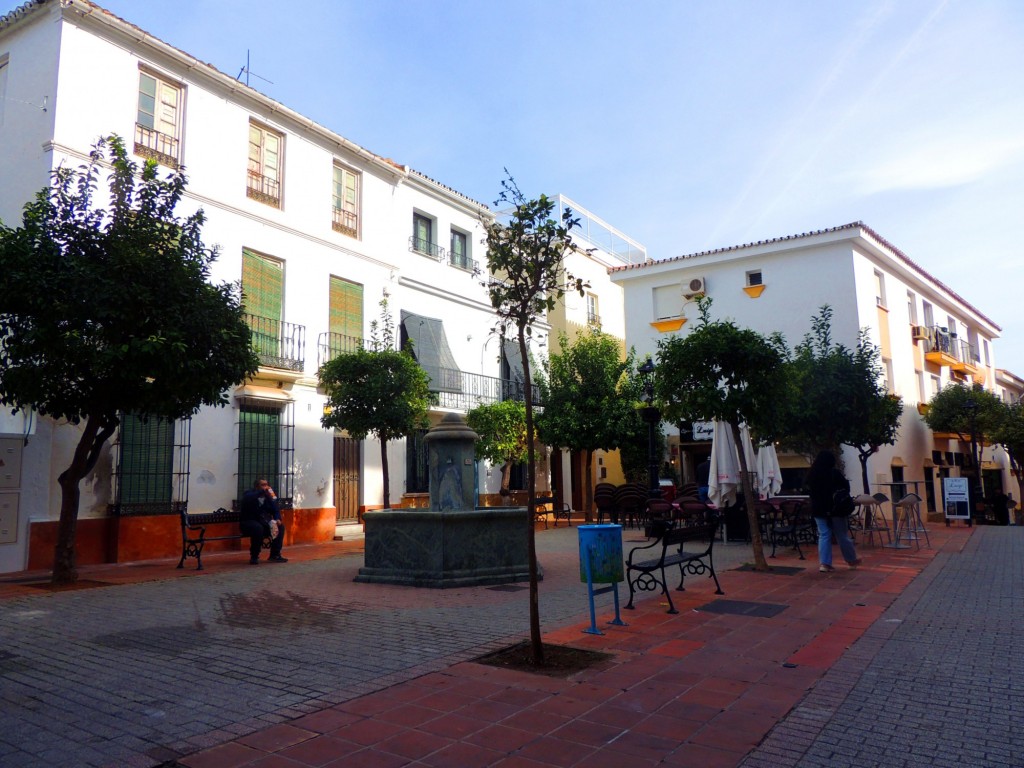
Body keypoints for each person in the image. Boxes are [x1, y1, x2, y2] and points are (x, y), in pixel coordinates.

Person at [804, 450, 860, 573]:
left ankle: (824, 564)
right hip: (836, 509)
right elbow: (846, 488)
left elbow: (807, 489)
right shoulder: (834, 473)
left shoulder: (812, 474)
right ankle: (851, 560)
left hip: (818, 509)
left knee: (824, 535)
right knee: (842, 535)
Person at [239, 478, 288, 564]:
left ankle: (275, 554)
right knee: (258, 528)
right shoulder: (249, 493)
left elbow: (275, 509)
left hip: (263, 521)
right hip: (249, 522)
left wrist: (277, 518)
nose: (265, 486)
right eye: (263, 485)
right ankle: (254, 556)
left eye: (266, 484)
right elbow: (248, 498)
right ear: (257, 486)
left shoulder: (268, 496)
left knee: (280, 527)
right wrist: (261, 492)